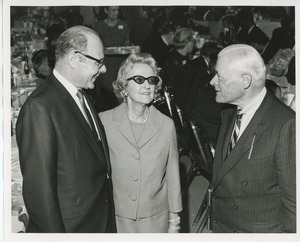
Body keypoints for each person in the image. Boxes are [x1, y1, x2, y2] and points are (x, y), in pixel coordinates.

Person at [16, 26, 116, 233]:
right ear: (74, 59)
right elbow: (40, 194)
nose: (104, 69)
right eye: (98, 62)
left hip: (97, 219)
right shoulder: (40, 108)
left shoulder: (82, 94)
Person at [209, 44, 296, 233]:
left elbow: (294, 203)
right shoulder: (229, 110)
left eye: (220, 77)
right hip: (223, 224)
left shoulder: (285, 124)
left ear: (245, 80)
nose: (212, 81)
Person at [99, 53, 182, 233]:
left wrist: (174, 222)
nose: (147, 85)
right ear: (124, 86)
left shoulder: (167, 125)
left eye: (151, 80)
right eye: (139, 79)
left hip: (155, 219)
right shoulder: (104, 122)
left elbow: (173, 176)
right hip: (115, 217)